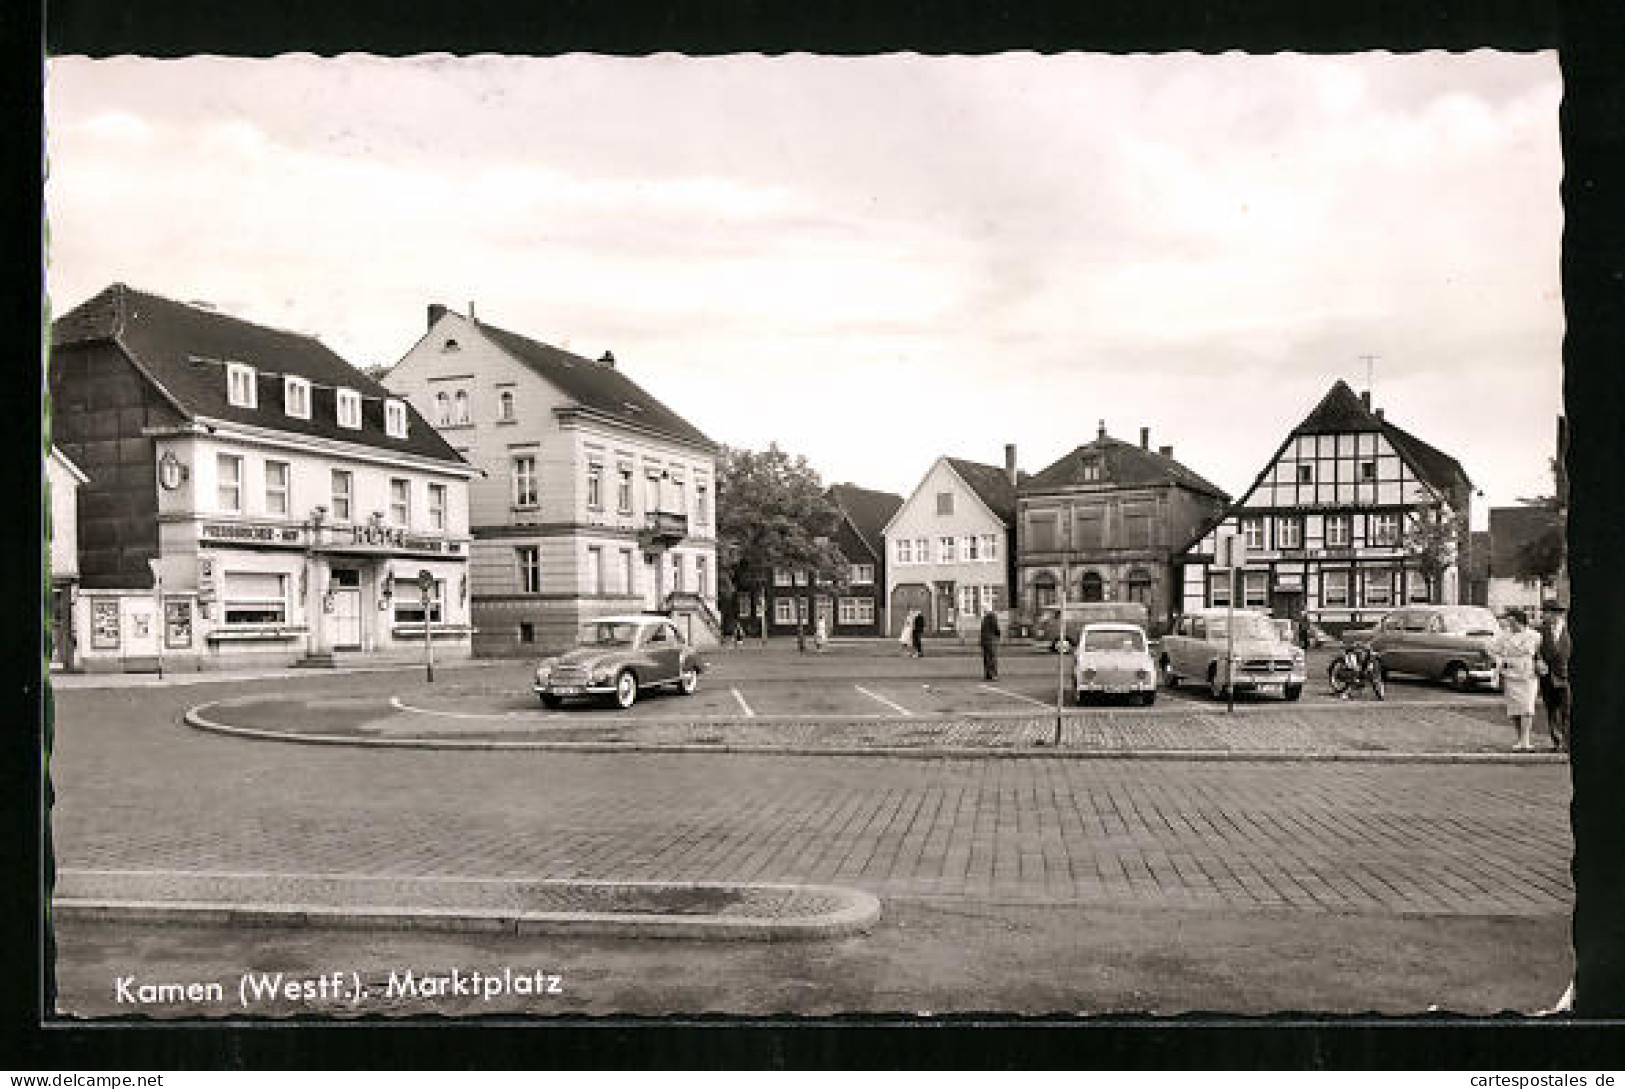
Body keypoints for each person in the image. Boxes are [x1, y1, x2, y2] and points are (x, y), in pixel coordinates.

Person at [1493, 608, 1542, 751]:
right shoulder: (1503, 636)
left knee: (1527, 707)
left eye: (1513, 621)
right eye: (1508, 622)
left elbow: (1539, 653)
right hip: (1511, 674)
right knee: (1514, 709)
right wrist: (1500, 661)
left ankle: (1526, 741)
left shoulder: (1535, 636)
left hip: (1528, 675)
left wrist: (1539, 663)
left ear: (1520, 621)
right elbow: (1493, 650)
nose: (1510, 625)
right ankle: (1519, 739)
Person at [1536, 601, 1571, 752]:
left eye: (1546, 612)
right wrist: (1538, 661)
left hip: (1566, 675)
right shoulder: (1539, 631)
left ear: (1555, 614)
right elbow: (1534, 651)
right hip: (1547, 676)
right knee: (1551, 709)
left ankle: (1567, 742)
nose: (1543, 615)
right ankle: (1557, 742)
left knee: (1567, 710)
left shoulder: (1571, 629)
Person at [979, 609, 1002, 681]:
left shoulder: (984, 619)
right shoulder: (993, 617)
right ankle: (994, 675)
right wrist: (998, 635)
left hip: (984, 641)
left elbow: (982, 631)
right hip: (991, 641)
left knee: (986, 658)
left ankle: (988, 674)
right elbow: (996, 628)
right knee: (992, 658)